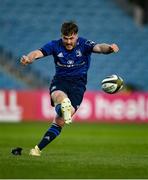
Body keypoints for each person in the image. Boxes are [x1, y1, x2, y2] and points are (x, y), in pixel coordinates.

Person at [20, 21, 119, 156]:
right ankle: (64, 105)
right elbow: (38, 53)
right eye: (65, 38)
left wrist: (110, 48)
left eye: (71, 38)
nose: (68, 42)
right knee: (60, 98)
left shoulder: (84, 44)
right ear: (61, 36)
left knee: (60, 120)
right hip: (60, 81)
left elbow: (100, 48)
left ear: (76, 36)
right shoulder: (55, 45)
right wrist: (28, 58)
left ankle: (37, 149)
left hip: (78, 85)